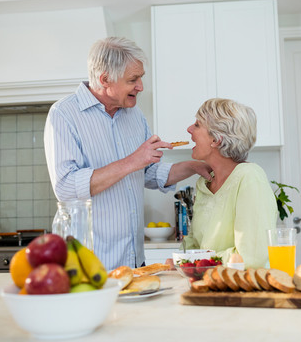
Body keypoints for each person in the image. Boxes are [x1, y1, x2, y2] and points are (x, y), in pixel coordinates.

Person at [44, 37, 211, 270]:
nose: (141, 86)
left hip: (133, 261)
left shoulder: (134, 115)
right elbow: (66, 188)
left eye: (141, 77)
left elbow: (148, 172)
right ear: (105, 79)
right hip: (89, 265)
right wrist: (133, 161)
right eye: (133, 79)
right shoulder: (64, 114)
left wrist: (193, 167)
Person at [182, 98, 278, 268]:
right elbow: (194, 244)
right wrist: (180, 262)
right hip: (210, 285)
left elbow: (252, 256)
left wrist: (196, 263)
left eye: (197, 124)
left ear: (216, 139)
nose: (189, 129)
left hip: (244, 288)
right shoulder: (204, 183)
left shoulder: (249, 177)